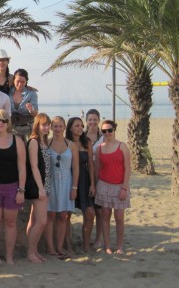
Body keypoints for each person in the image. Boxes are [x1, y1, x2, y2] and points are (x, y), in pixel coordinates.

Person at [0, 109, 26, 266]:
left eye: (3, 120)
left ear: (9, 123)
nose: (0, 123)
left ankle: (9, 257)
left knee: (10, 223)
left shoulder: (18, 141)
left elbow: (22, 167)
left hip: (12, 187)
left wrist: (21, 190)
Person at [44, 116, 79, 258]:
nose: (58, 129)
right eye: (55, 126)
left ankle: (60, 246)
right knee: (50, 215)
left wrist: (74, 188)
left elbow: (75, 169)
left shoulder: (71, 145)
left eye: (60, 126)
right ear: (51, 127)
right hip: (50, 182)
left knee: (63, 216)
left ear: (65, 128)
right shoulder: (46, 143)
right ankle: (50, 247)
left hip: (66, 182)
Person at [95, 120, 131, 254]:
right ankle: (108, 246)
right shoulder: (99, 148)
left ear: (114, 130)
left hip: (119, 186)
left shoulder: (122, 146)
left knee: (119, 216)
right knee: (105, 215)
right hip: (104, 185)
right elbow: (98, 168)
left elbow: (127, 168)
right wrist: (94, 185)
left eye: (109, 130)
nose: (107, 133)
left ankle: (120, 246)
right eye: (104, 131)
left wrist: (124, 188)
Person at [66, 116, 95, 253]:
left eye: (81, 126)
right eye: (77, 125)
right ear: (70, 127)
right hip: (68, 179)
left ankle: (86, 245)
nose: (80, 128)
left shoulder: (86, 142)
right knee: (66, 215)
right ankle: (68, 245)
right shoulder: (65, 142)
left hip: (84, 179)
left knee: (90, 213)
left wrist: (92, 184)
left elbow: (91, 164)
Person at [25, 113, 52, 263]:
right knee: (42, 221)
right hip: (38, 185)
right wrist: (41, 188)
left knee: (34, 219)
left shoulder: (44, 141)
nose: (47, 127)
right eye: (44, 124)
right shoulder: (34, 141)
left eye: (48, 124)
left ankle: (33, 251)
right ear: (37, 125)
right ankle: (30, 252)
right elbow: (34, 166)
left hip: (45, 184)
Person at [85, 108, 103, 247]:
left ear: (98, 120)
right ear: (86, 120)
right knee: (88, 208)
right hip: (85, 173)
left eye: (95, 119)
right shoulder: (82, 136)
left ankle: (98, 239)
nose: (92, 122)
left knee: (99, 209)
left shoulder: (104, 136)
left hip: (100, 174)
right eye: (90, 119)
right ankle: (87, 238)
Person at [9, 68, 39, 140]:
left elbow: (35, 114)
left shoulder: (31, 93)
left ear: (26, 82)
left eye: (23, 82)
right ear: (13, 80)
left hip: (29, 129)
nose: (20, 84)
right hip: (13, 129)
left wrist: (31, 110)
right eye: (18, 81)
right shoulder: (8, 91)